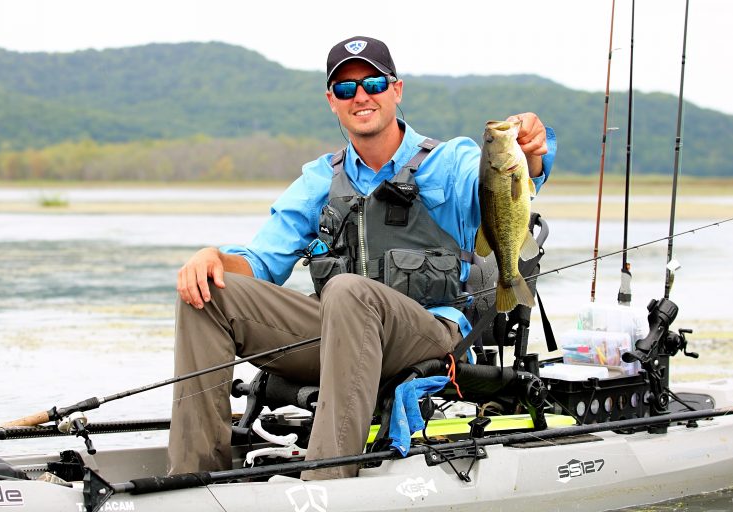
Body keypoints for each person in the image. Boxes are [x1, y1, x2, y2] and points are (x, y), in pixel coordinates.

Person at [168, 35, 557, 480]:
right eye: (347, 88)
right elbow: (260, 263)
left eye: (372, 82)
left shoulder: (451, 161)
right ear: (332, 100)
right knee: (206, 294)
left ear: (396, 89)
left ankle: (327, 478)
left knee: (348, 290)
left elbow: (502, 181)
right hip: (341, 338)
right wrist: (212, 258)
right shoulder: (319, 179)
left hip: (427, 335)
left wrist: (530, 153)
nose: (361, 96)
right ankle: (192, 479)